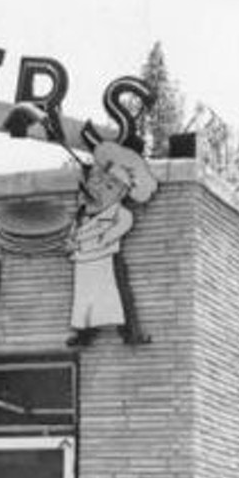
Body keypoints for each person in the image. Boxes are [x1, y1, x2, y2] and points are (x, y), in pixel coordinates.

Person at [65, 140, 159, 346]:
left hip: (106, 260)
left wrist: (84, 242)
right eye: (99, 181)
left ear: (122, 193)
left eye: (110, 186)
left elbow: (108, 237)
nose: (100, 189)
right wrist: (73, 243)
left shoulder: (122, 214)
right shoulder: (85, 212)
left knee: (120, 296)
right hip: (84, 262)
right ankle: (85, 332)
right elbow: (74, 234)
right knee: (85, 299)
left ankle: (131, 333)